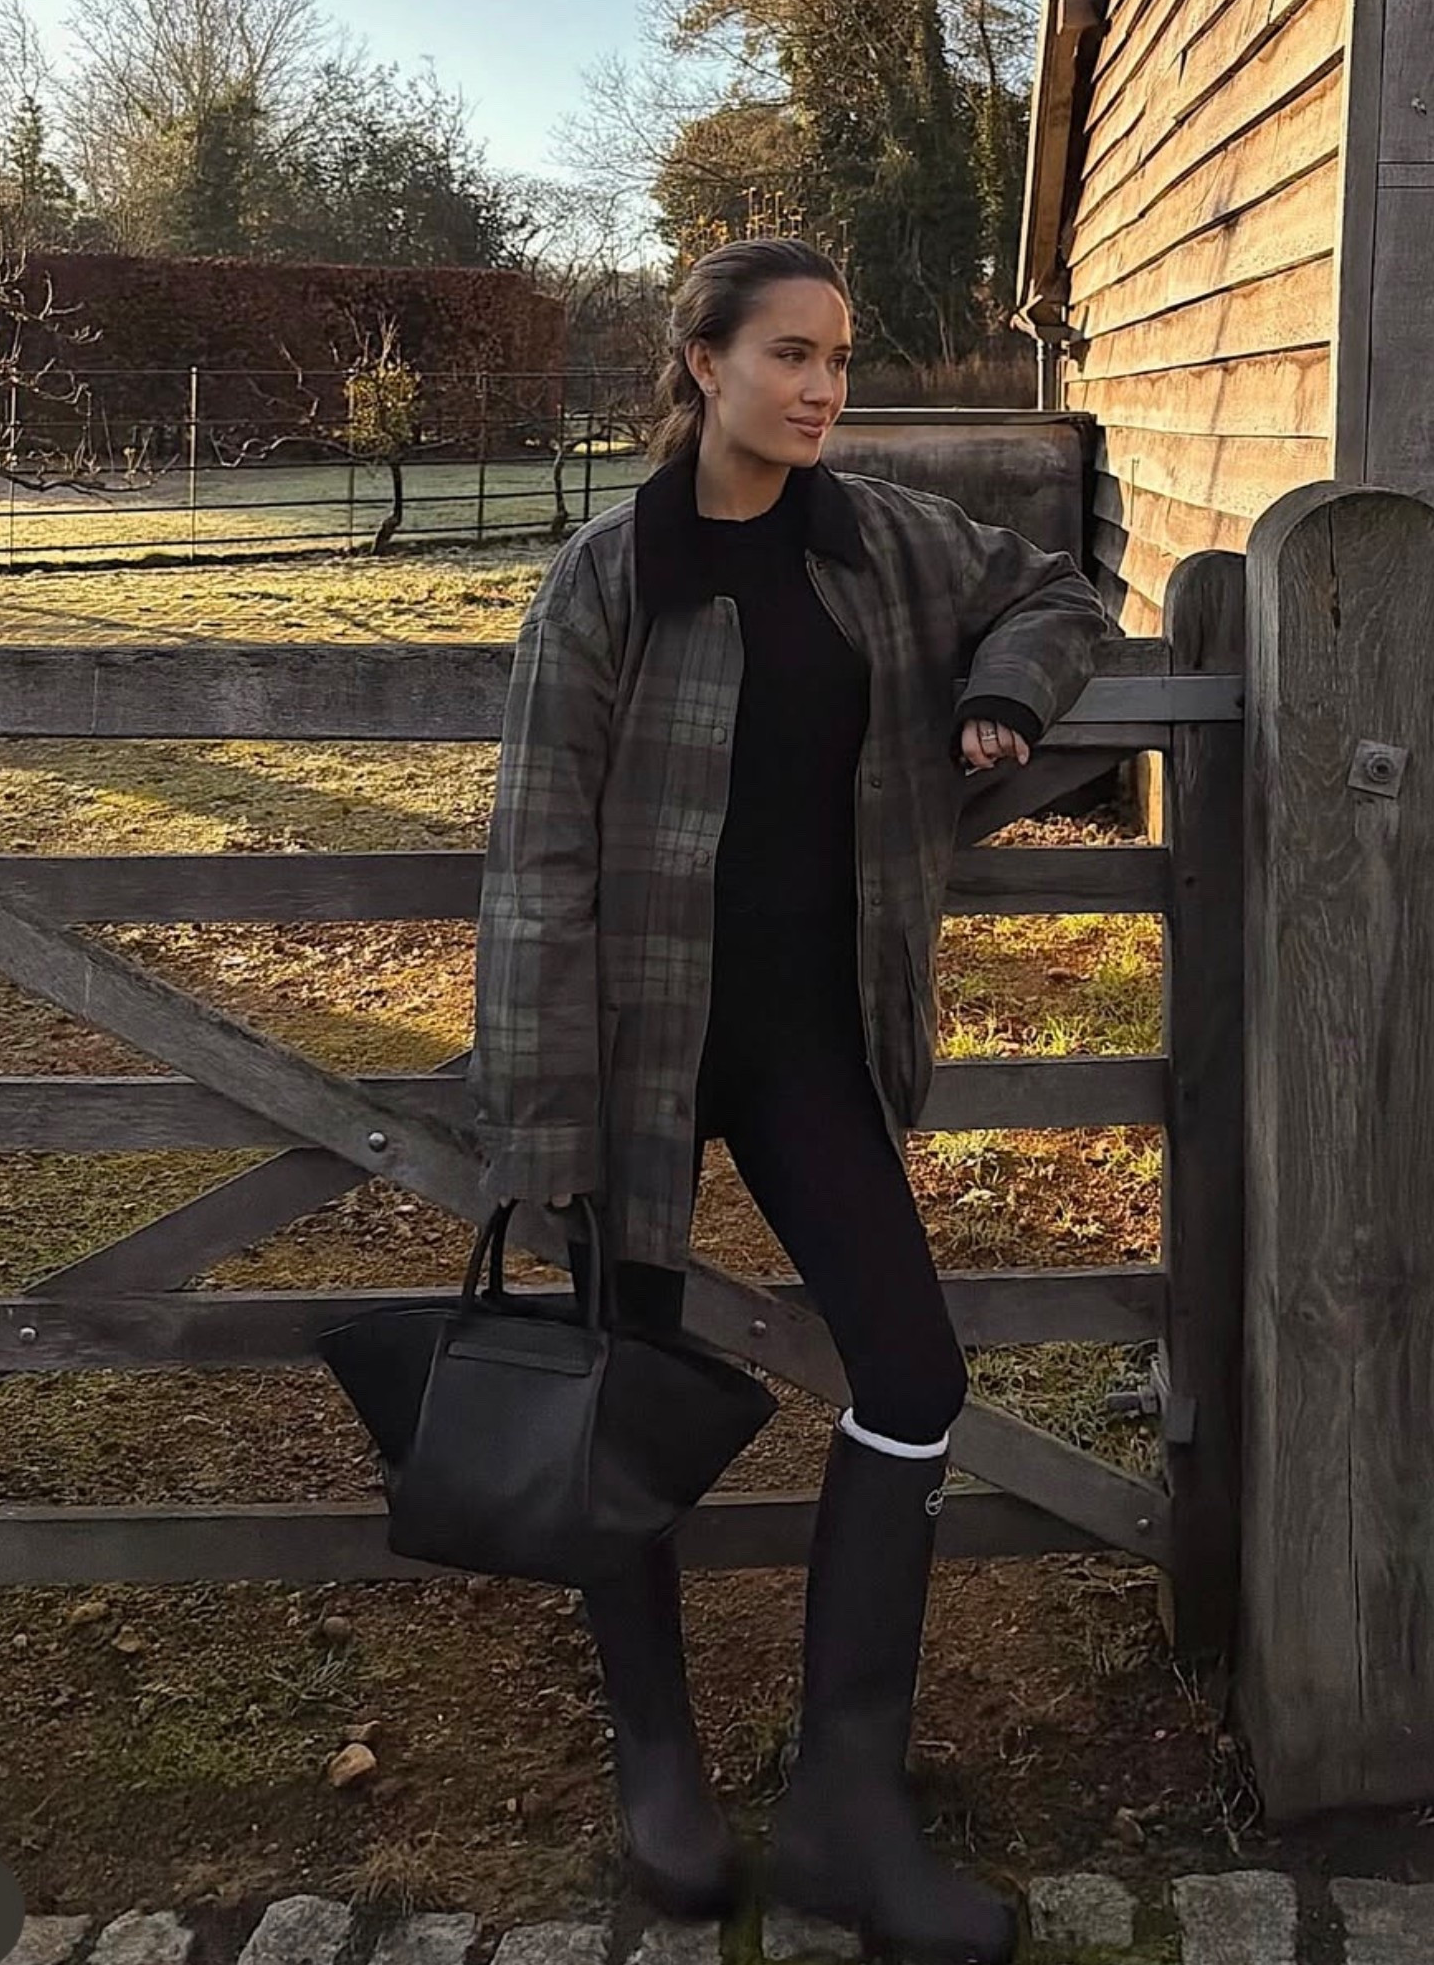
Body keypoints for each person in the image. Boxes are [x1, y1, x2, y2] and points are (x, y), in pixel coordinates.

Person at [467, 237, 1112, 1964]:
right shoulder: (610, 580)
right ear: (703, 366)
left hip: (815, 1037)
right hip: (637, 1050)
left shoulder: (882, 539)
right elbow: (535, 862)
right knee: (622, 1377)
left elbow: (1057, 594)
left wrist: (999, 695)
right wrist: (542, 1125)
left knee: (911, 1374)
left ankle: (842, 1798)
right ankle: (659, 1766)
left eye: (840, 356)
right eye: (791, 356)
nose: (825, 387)